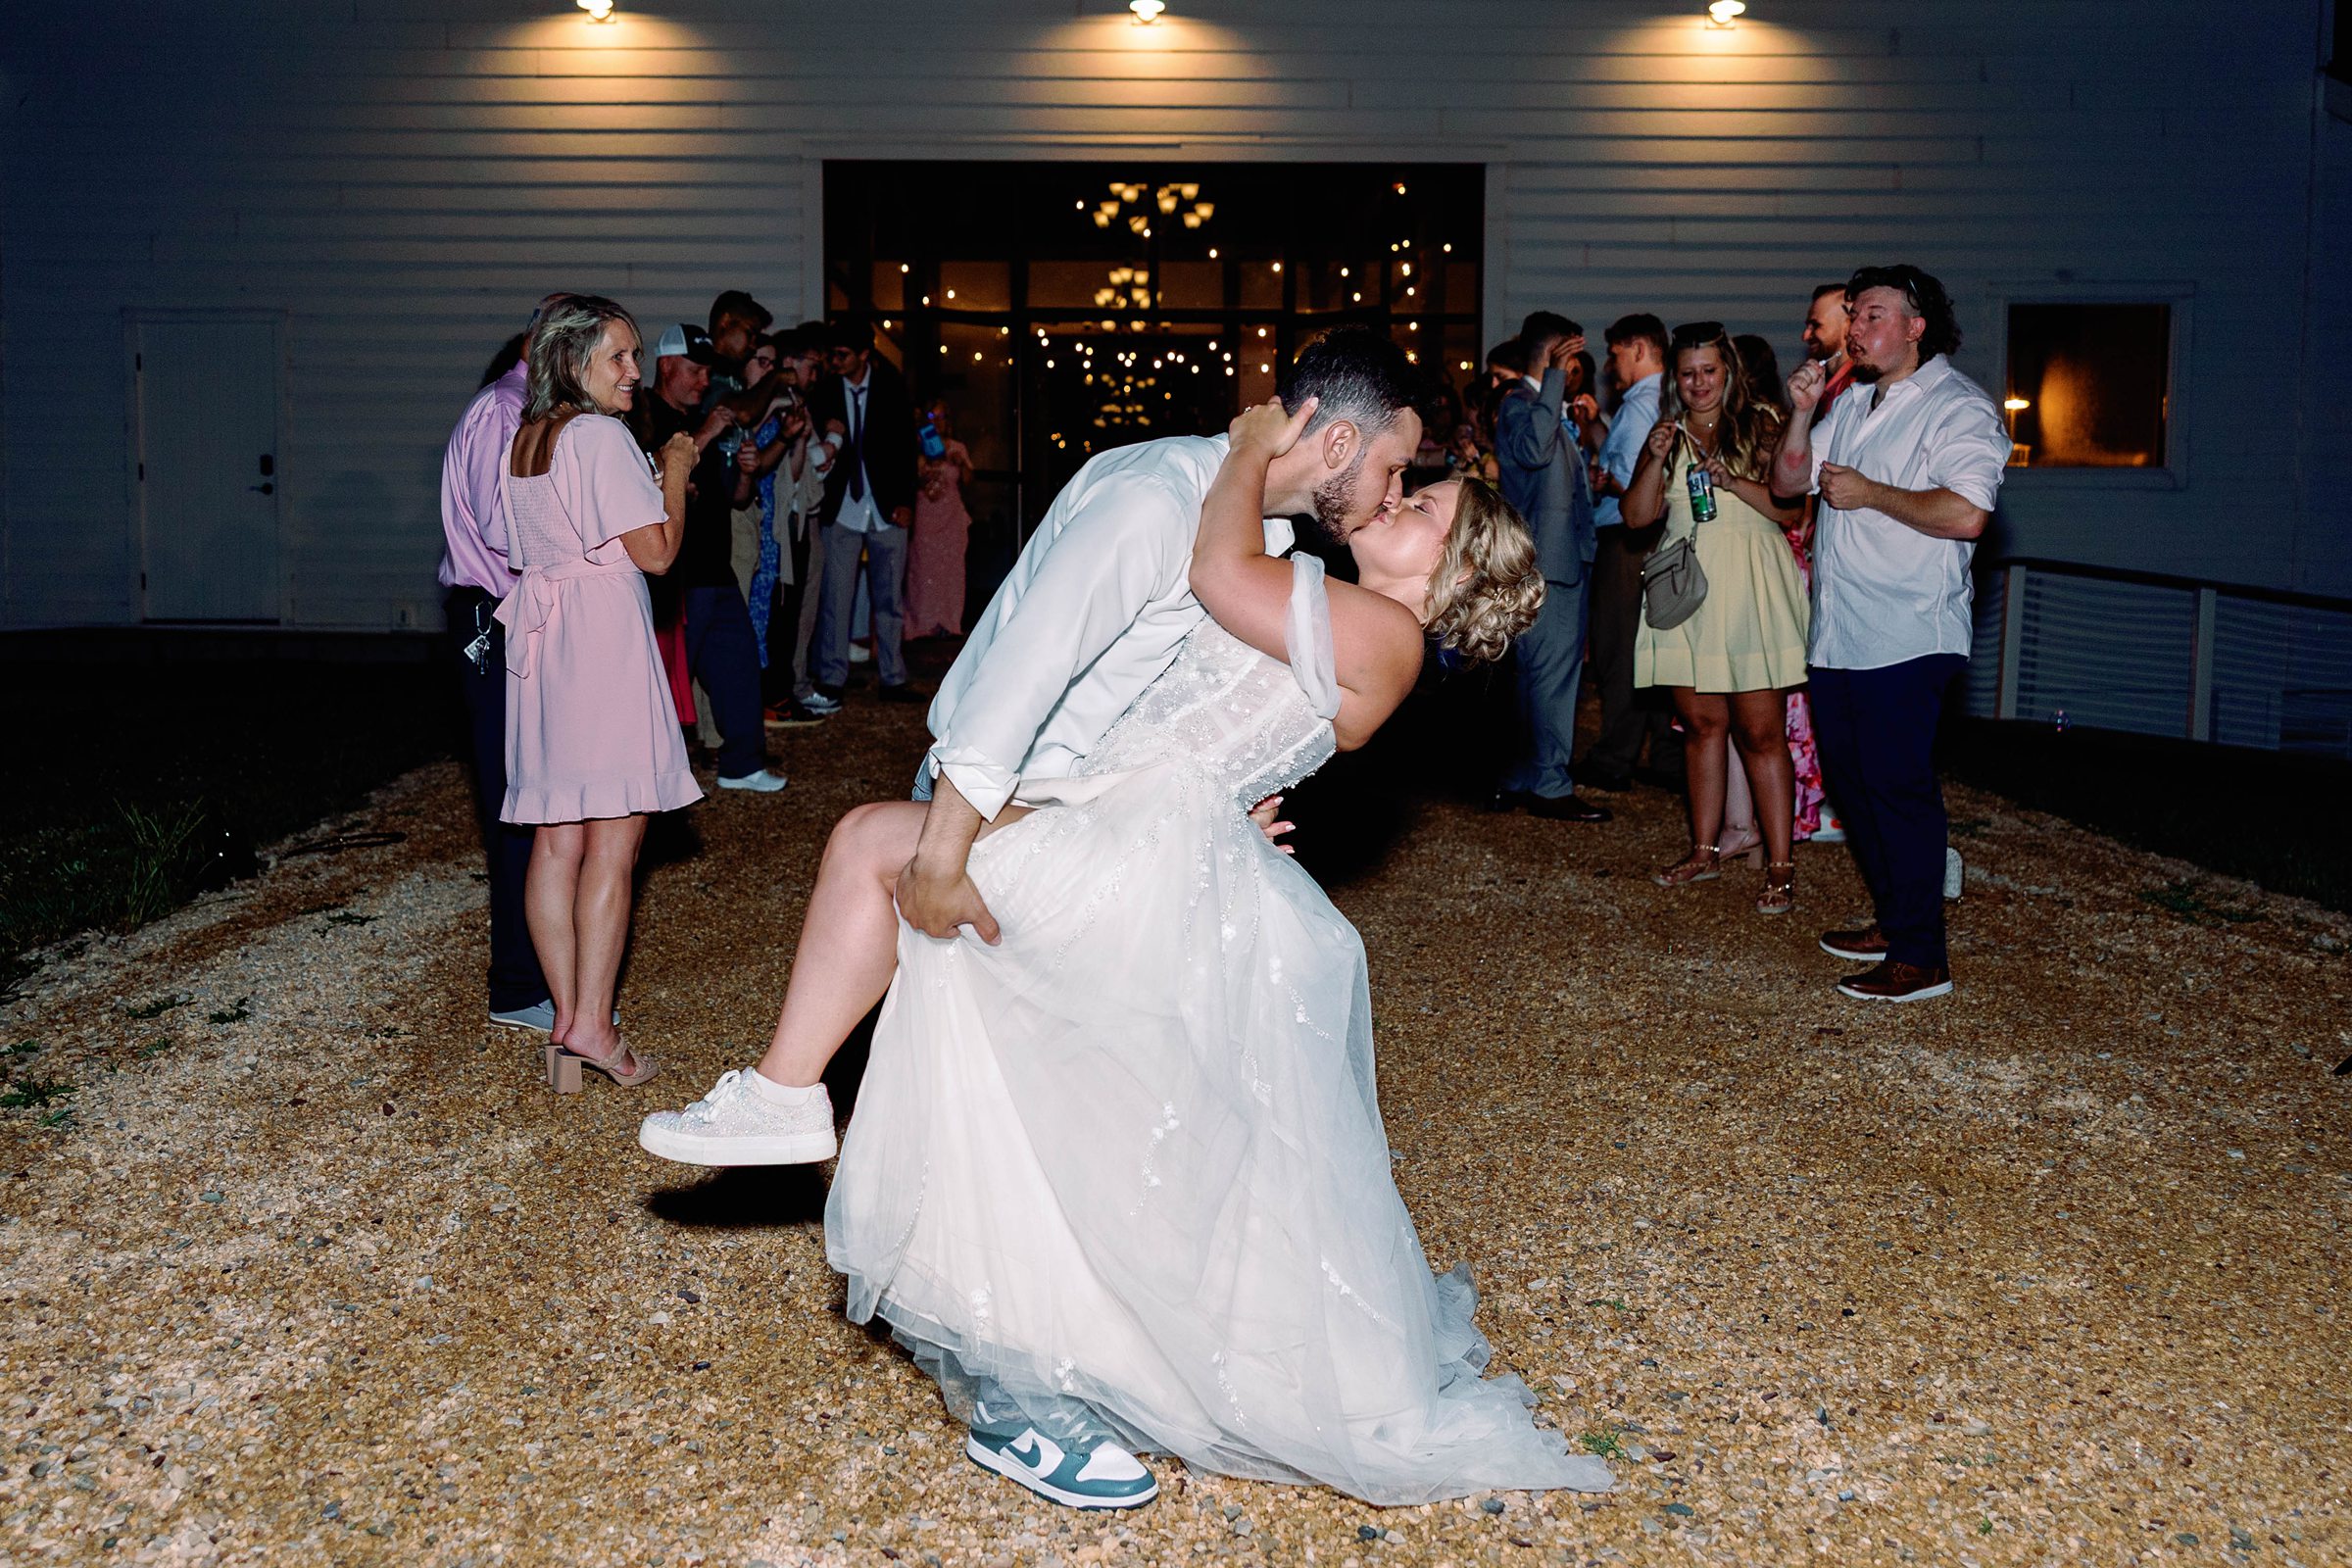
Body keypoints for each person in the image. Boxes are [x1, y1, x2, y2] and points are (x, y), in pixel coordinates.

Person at [644, 394, 1614, 1510]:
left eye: (1424, 503)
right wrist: (1234, 810)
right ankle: (854, 1166)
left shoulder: (1387, 634)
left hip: (1143, 850)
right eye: (1406, 482)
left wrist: (1245, 451)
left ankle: (794, 1107)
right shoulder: (1333, 600)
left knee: (884, 860)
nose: (1397, 499)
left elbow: (1217, 574)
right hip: (1141, 830)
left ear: (1455, 564)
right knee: (1066, 1103)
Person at [1772, 265, 2008, 1002]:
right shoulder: (1853, 401)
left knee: (1898, 788)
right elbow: (1787, 484)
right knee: (1854, 786)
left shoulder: (1957, 406)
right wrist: (1802, 414)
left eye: (1874, 315)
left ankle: (1922, 957)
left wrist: (1871, 492)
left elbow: (1967, 513)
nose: (1856, 329)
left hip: (1908, 631)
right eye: (1853, 315)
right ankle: (1897, 919)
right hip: (1840, 632)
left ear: (1915, 327)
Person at [494, 296, 702, 1089]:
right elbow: (658, 552)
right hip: (601, 639)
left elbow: (522, 542)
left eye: (635, 355)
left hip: (545, 644)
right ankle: (593, 1025)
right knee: (615, 843)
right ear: (572, 360)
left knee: (557, 841)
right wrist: (674, 470)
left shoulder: (528, 438)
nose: (634, 371)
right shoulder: (599, 435)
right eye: (618, 355)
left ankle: (566, 1028)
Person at [1623, 321, 1809, 912]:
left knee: (1760, 733)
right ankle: (1704, 850)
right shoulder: (1667, 434)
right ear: (1674, 379)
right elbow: (1636, 518)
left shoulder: (1762, 422)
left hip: (1750, 586)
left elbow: (1789, 509)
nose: (1699, 383)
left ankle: (1780, 866)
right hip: (1687, 591)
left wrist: (1734, 481)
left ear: (1727, 371)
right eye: (1688, 374)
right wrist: (1654, 460)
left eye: (1709, 371)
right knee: (1703, 727)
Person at [440, 294, 566, 1033]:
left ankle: (536, 971)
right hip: (494, 617)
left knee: (537, 796)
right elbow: (501, 525)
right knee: (516, 801)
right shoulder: (504, 412)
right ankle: (517, 984)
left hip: (516, 616)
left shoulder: (531, 411)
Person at [633, 321, 787, 793]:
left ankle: (742, 764)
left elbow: (734, 498)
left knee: (738, 665)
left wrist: (747, 472)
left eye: (707, 372)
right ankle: (643, 775)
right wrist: (706, 432)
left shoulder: (702, 420)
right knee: (663, 681)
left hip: (715, 568)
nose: (705, 381)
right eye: (695, 371)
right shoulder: (644, 414)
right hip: (675, 576)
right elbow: (652, 479)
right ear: (667, 366)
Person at [1494, 313, 1608, 823]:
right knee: (1551, 678)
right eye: (1570, 355)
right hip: (1548, 564)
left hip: (1561, 559)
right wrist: (1555, 376)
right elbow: (1535, 451)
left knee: (1536, 676)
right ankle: (1549, 784)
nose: (1578, 366)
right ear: (1555, 353)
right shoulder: (1520, 403)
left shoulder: (1546, 406)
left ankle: (1522, 776)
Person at [1578, 313, 1679, 793]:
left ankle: (1615, 757)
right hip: (1641, 537)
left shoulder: (1642, 406)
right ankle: (1665, 754)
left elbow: (1641, 485)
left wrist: (1605, 483)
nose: (1609, 365)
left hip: (1628, 539)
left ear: (1639, 348)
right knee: (1651, 650)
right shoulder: (1655, 401)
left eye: (1616, 353)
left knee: (1619, 649)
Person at [809, 320, 922, 705]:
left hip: (887, 506)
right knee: (835, 598)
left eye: (842, 354)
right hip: (841, 506)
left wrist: (907, 501)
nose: (834, 361)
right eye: (832, 354)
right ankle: (831, 677)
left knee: (889, 599)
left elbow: (906, 448)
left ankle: (893, 678)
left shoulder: (892, 387)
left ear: (864, 355)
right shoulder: (824, 391)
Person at [906, 401, 973, 640]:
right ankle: (922, 624)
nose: (938, 422)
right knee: (923, 570)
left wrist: (960, 463)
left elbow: (968, 480)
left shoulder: (957, 447)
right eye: (933, 417)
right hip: (926, 515)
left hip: (951, 518)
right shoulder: (917, 446)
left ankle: (949, 622)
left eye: (942, 417)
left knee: (951, 571)